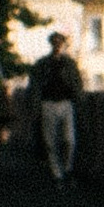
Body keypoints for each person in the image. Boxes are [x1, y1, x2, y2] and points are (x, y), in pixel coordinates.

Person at [30, 31, 83, 182]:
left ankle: (66, 168)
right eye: (55, 42)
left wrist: (78, 100)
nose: (57, 45)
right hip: (48, 103)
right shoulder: (43, 64)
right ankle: (57, 174)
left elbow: (77, 83)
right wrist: (36, 105)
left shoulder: (69, 63)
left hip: (66, 103)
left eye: (60, 42)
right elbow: (35, 86)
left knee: (69, 140)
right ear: (51, 44)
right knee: (50, 141)